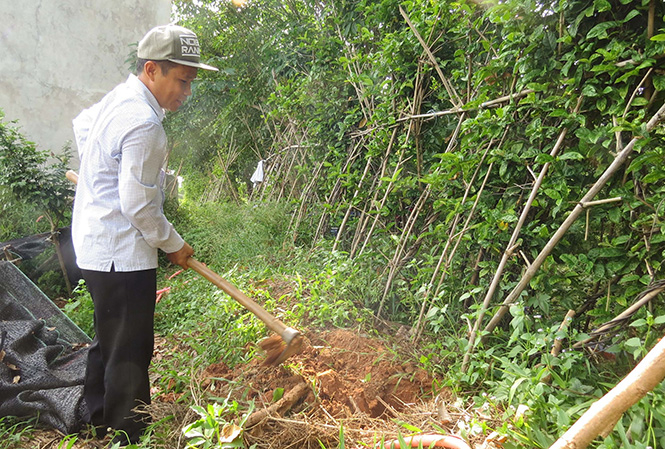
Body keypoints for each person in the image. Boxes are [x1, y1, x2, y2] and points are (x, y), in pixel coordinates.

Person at [71, 24, 217, 445]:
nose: (186, 93)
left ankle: (97, 416)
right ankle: (127, 434)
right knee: (131, 349)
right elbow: (138, 206)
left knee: (109, 339)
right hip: (122, 253)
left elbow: (83, 126)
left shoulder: (118, 99)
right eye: (182, 81)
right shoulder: (145, 124)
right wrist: (174, 244)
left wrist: (99, 177)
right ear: (152, 69)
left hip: (96, 246)